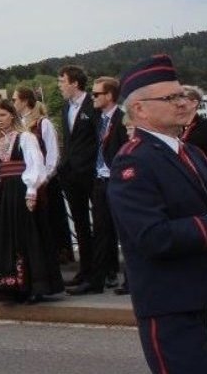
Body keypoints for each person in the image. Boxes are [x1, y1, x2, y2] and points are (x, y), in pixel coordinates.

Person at [106, 55, 207, 372]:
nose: (182, 102)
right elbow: (152, 237)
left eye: (182, 94)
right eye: (170, 97)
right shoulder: (133, 162)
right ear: (139, 109)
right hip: (173, 307)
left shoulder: (190, 152)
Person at [0, 99, 63, 304]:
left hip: (21, 189)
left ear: (12, 115)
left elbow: (36, 164)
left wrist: (31, 190)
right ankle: (7, 286)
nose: (0, 120)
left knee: (26, 236)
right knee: (5, 237)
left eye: (3, 115)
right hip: (5, 192)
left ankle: (32, 286)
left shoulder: (25, 137)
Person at [67, 76, 129, 296]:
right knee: (101, 232)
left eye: (96, 94)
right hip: (99, 180)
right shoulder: (99, 119)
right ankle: (96, 280)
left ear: (109, 96)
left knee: (124, 231)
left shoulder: (122, 120)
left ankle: (130, 279)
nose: (92, 98)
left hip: (117, 182)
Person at [15, 87, 70, 269]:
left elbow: (52, 154)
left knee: (51, 221)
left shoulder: (42, 123)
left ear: (24, 101)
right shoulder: (18, 124)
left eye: (15, 99)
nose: (13, 102)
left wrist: (44, 177)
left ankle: (55, 257)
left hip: (46, 182)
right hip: (26, 181)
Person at [56, 65, 96, 267]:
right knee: (80, 223)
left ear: (75, 83)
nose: (59, 86)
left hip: (91, 173)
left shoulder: (93, 105)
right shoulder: (66, 108)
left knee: (101, 222)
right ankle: (86, 268)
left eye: (62, 81)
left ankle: (105, 269)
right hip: (71, 174)